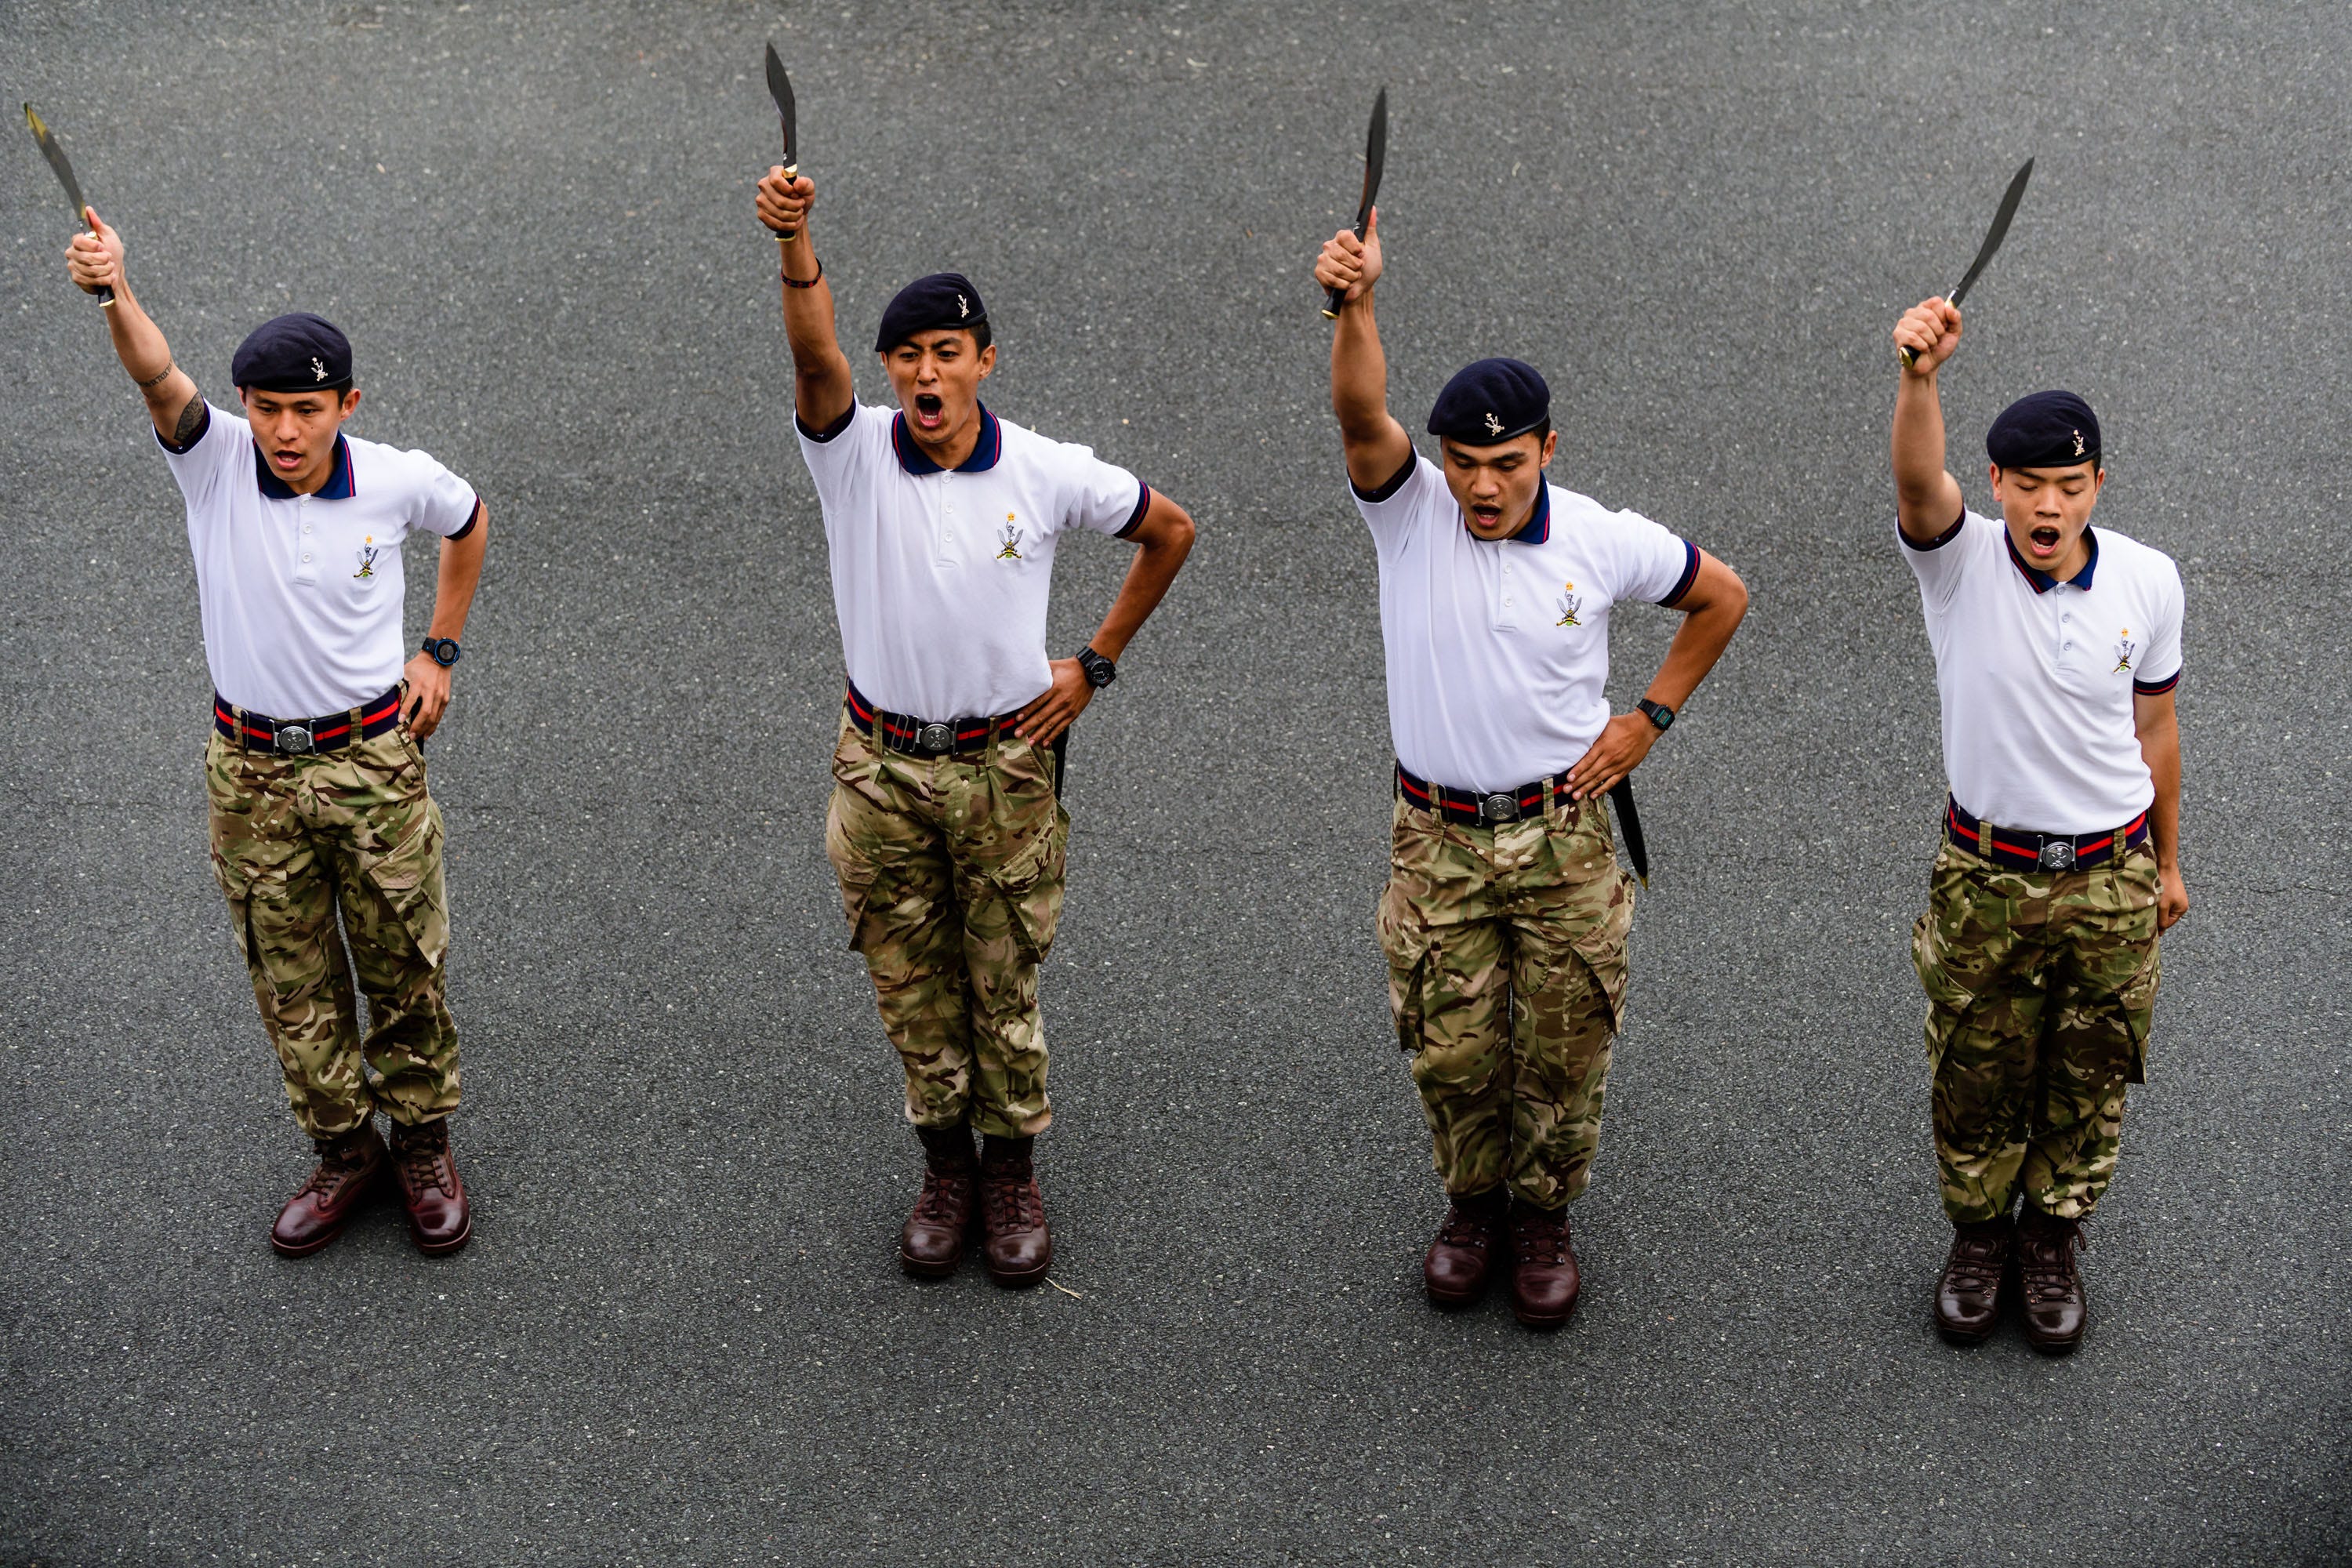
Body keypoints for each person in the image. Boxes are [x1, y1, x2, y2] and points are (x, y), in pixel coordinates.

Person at [754, 166, 1195, 1287]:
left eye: (948, 351)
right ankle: (943, 1169)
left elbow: (1172, 531)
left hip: (1005, 765)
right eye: (909, 355)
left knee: (1002, 977)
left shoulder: (1045, 471)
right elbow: (815, 357)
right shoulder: (851, 453)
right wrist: (798, 244)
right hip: (882, 769)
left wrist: (1095, 664)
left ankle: (1012, 1177)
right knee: (909, 980)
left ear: (984, 362)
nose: (925, 371)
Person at [1314, 212, 1748, 1329]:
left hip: (1563, 836)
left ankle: (1544, 1215)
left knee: (1562, 1041)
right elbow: (1363, 410)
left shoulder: (1601, 541)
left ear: (1550, 450)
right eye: (1465, 464)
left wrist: (1648, 719)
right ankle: (1471, 1206)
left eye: (1507, 464)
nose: (1483, 488)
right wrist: (1356, 306)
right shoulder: (1410, 516)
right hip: (1440, 839)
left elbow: (1722, 597)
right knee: (1452, 1048)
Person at [63, 212, 488, 1257]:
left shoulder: (394, 477)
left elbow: (469, 521)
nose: (285, 432)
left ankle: (423, 1144)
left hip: (372, 760)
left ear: (347, 405)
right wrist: (115, 291)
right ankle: (347, 1152)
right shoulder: (210, 463)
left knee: (402, 959)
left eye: (306, 410)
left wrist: (439, 651)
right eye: (266, 410)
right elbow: (157, 376)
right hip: (250, 771)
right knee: (287, 972)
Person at [1890, 297, 2186, 1353]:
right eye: (2030, 487)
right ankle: (1979, 1238)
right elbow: (1918, 484)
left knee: (2092, 1068)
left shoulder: (2149, 580)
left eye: (2070, 485)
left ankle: (2053, 1238)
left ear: (2097, 484)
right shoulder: (1958, 561)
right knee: (1975, 1063)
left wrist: (2168, 864)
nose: (2049, 505)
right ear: (2000, 486)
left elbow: (2156, 725)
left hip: (2111, 873)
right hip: (1986, 873)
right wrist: (1920, 377)